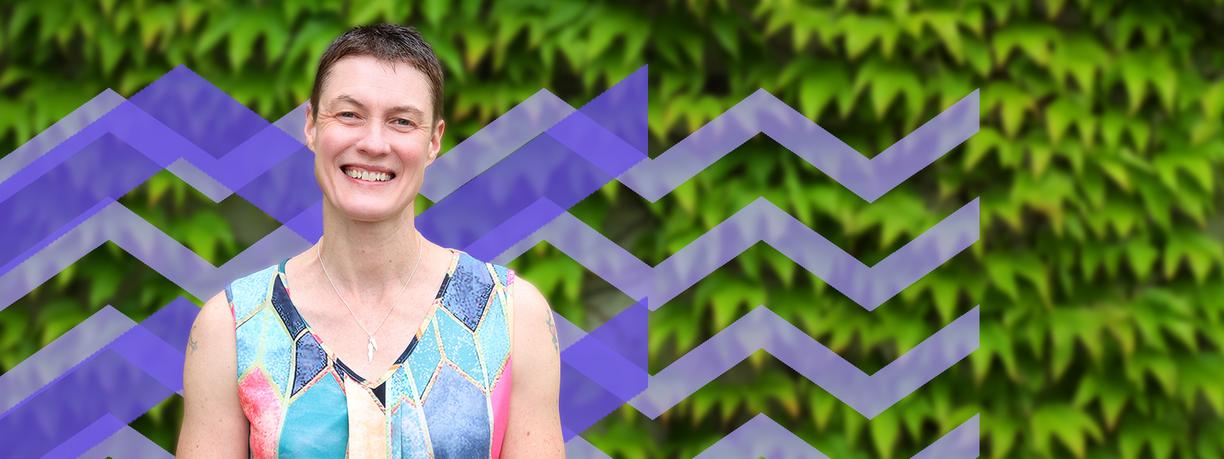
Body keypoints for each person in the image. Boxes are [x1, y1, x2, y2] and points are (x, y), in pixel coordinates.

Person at [177, 24, 564, 458]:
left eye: (402, 121)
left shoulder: (511, 317)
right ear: (311, 125)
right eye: (349, 115)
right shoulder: (233, 327)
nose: (374, 143)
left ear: (434, 140)